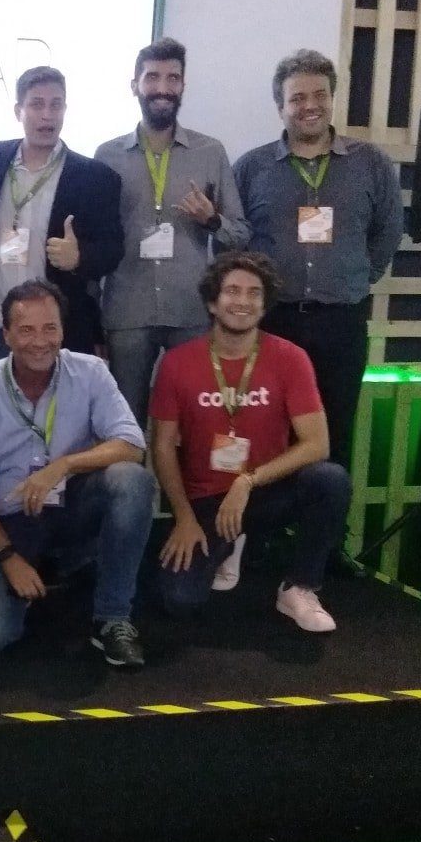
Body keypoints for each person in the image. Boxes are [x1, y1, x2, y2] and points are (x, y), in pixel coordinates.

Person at [0, 278, 155, 665]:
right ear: (6, 335)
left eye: (50, 328)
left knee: (132, 481)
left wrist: (62, 465)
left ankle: (112, 617)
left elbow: (132, 444)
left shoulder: (90, 371)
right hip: (10, 521)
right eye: (26, 330)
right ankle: (49, 566)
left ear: (62, 330)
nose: (40, 341)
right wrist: (8, 556)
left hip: (71, 506)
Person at [150, 251, 352, 632]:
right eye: (232, 291)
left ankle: (300, 587)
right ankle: (232, 543)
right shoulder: (177, 363)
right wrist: (184, 518)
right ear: (212, 302)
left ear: (265, 304)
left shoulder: (291, 358)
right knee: (178, 599)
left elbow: (317, 444)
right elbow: (162, 447)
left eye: (254, 293)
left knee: (330, 480)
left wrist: (247, 480)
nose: (242, 301)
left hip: (265, 491)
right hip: (207, 499)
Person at [234, 48, 403, 470]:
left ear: (331, 98)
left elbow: (388, 230)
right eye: (297, 98)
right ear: (280, 106)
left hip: (341, 323)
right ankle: (267, 515)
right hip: (274, 322)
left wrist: (358, 276)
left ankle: (328, 516)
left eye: (319, 95)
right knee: (267, 433)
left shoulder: (371, 164)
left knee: (335, 435)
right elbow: (234, 241)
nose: (309, 106)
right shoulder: (251, 168)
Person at [94, 37, 249, 425]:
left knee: (194, 421)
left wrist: (212, 220)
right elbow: (96, 241)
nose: (162, 88)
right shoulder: (107, 156)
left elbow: (241, 234)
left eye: (172, 78)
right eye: (152, 77)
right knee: (126, 422)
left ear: (183, 85)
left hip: (191, 310)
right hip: (127, 313)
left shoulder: (210, 152)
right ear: (135, 85)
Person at [0, 66, 124, 361]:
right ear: (18, 111)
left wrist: (79, 258)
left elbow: (112, 250)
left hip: (56, 331)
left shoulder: (94, 177)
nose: (47, 115)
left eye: (56, 105)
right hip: (0, 325)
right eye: (37, 104)